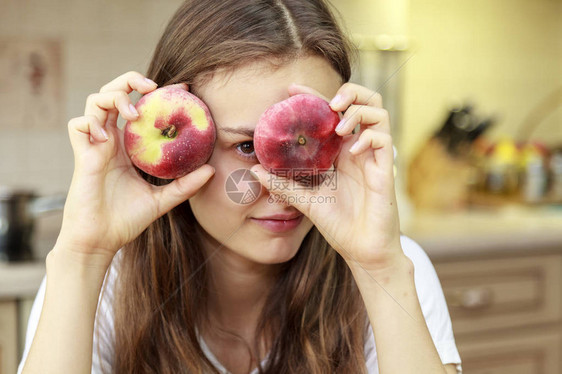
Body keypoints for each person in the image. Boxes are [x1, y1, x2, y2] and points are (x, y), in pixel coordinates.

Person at [18, 0, 462, 373]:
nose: (286, 184)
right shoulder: (103, 283)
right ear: (176, 145)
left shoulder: (395, 269)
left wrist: (380, 268)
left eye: (310, 141)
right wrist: (82, 257)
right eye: (248, 146)